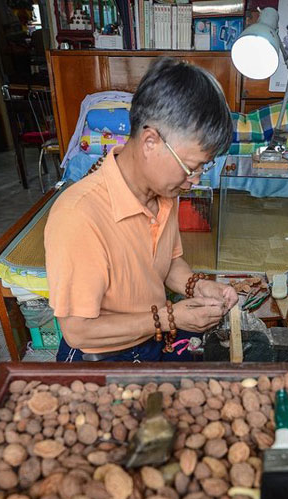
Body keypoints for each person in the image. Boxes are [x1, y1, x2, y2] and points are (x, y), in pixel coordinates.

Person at [45, 57, 238, 363]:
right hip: (102, 355)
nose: (196, 179)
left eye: (204, 167)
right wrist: (169, 318)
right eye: (191, 167)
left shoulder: (165, 192)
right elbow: (78, 332)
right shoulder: (78, 215)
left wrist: (198, 286)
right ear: (150, 141)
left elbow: (169, 263)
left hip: (153, 336)